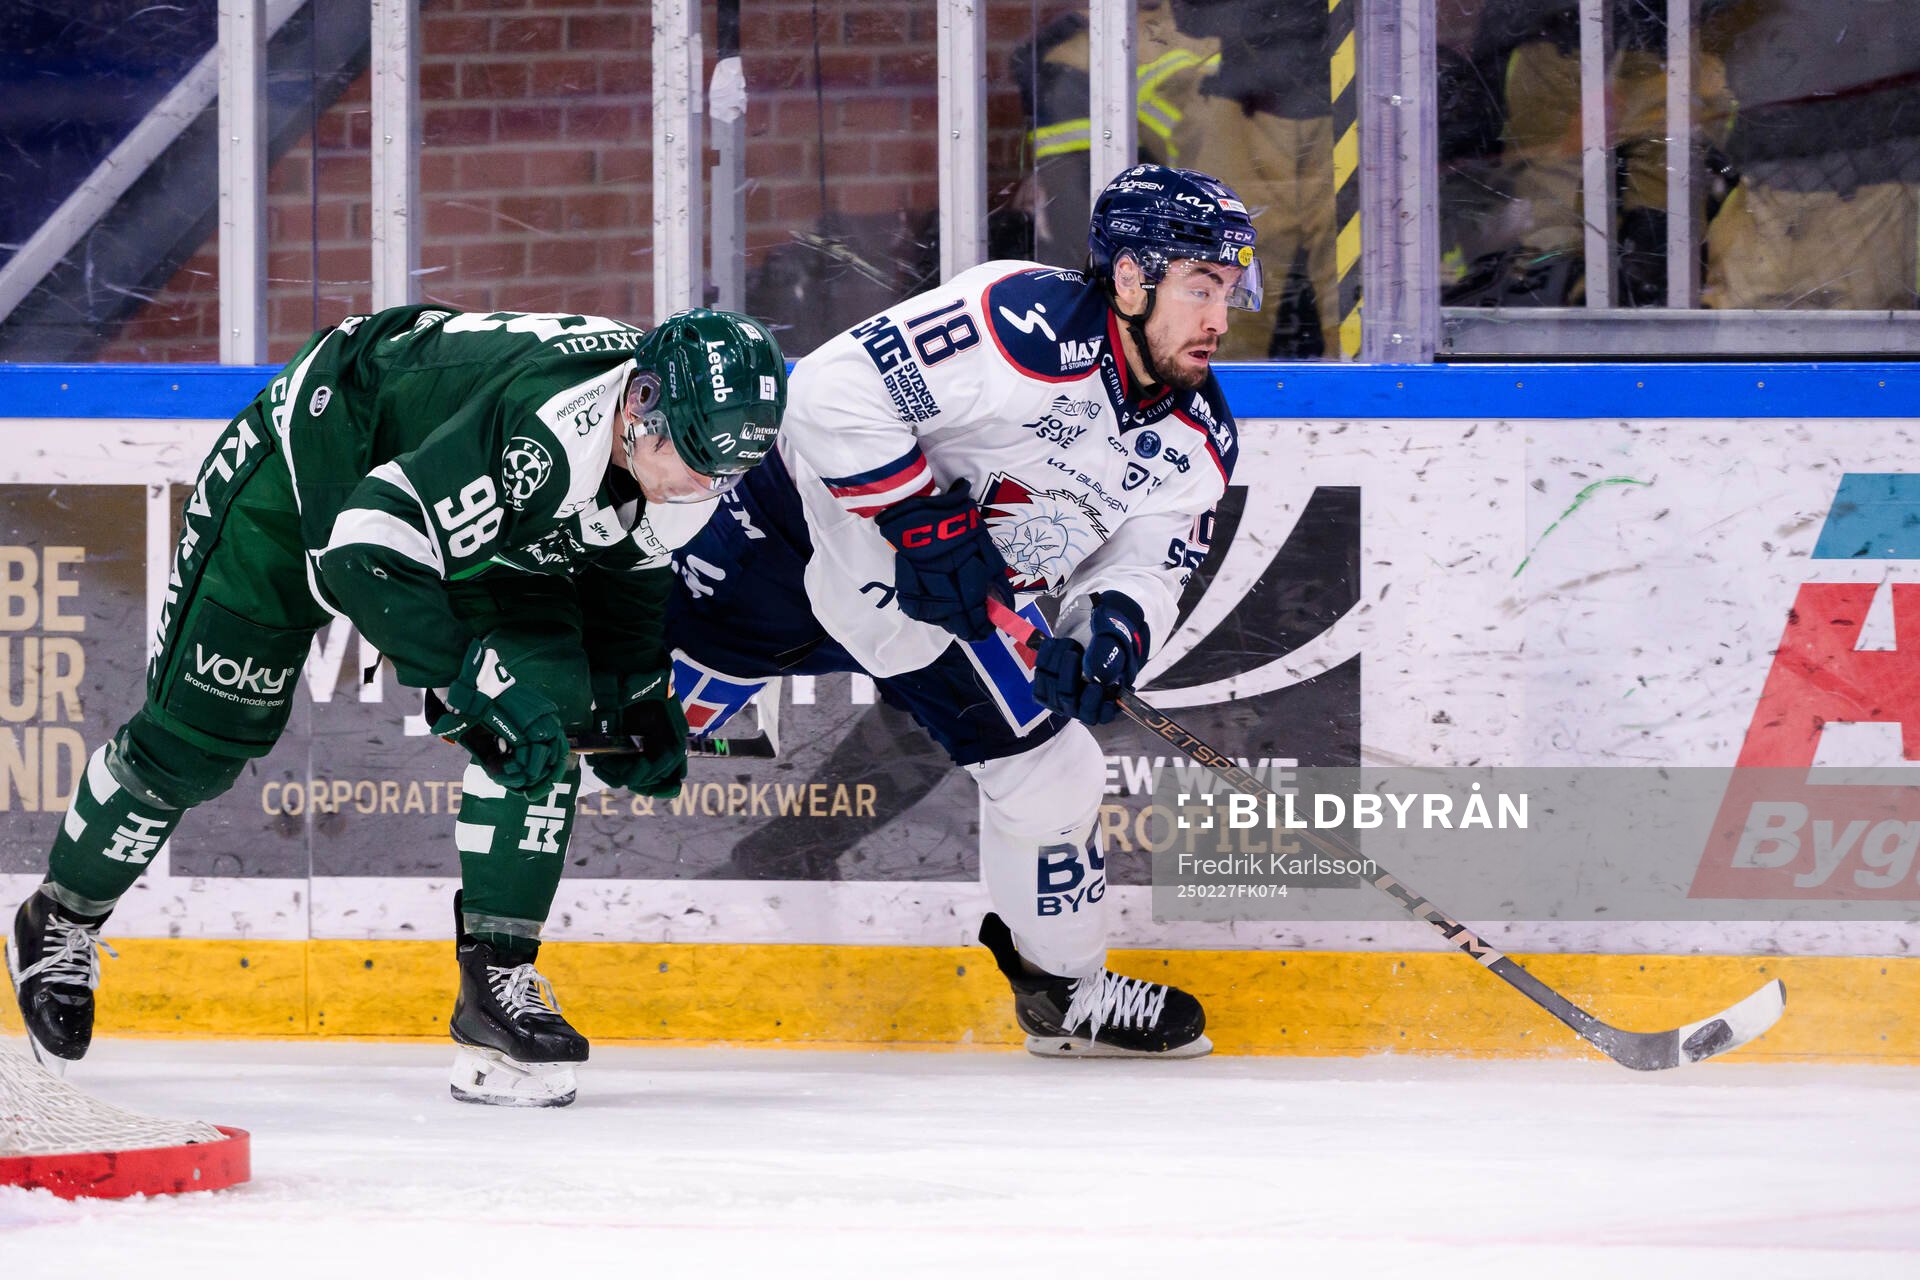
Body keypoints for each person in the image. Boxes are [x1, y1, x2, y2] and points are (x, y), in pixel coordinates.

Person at [7, 305, 787, 1106]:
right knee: (198, 739)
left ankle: (497, 984)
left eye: (725, 470)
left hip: (466, 502)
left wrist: (634, 698)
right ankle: (62, 915)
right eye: (692, 458)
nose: (704, 484)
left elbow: (626, 572)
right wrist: (469, 680)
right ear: (638, 402)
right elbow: (361, 552)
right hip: (324, 450)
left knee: (547, 702)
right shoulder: (545, 435)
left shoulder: (690, 451)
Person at [668, 164, 1258, 1057]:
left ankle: (1067, 994)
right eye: (1202, 287)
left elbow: (1147, 566)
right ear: (1132, 277)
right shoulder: (1017, 322)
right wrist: (919, 521)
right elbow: (829, 392)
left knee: (1056, 773)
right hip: (783, 548)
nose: (1220, 318)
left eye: (1230, 291)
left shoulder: (1197, 438)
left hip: (931, 614)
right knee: (607, 742)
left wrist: (1108, 632)